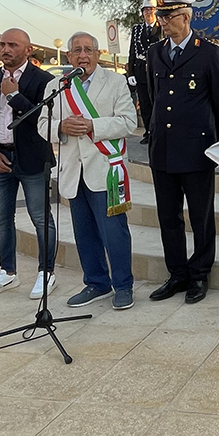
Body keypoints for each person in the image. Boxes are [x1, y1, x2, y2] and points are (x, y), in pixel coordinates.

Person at [145, 0, 219, 304]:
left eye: (168, 16)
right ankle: (177, 273)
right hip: (163, 149)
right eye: (161, 17)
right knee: (168, 216)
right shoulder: (155, 52)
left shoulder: (208, 52)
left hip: (197, 149)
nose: (163, 22)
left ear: (186, 16)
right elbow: (154, 98)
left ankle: (199, 274)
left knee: (200, 216)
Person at [51, 31, 138, 310]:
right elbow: (43, 124)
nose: (82, 55)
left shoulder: (115, 82)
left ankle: (123, 285)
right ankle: (96, 282)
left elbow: (128, 122)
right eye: (76, 50)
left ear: (98, 54)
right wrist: (60, 127)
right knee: (84, 232)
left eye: (88, 50)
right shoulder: (58, 85)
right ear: (68, 56)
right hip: (73, 172)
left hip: (106, 168)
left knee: (114, 232)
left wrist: (93, 126)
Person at [0, 28, 56, 298]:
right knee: (1, 219)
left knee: (41, 218)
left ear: (28, 50)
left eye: (12, 45)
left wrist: (13, 96)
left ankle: (47, 272)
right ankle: (7, 272)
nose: (5, 49)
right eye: (2, 44)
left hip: (32, 158)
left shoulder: (45, 80)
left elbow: (44, 122)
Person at [127, 0, 161, 138]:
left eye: (152, 10)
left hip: (157, 71)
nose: (149, 13)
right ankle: (148, 132)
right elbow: (132, 52)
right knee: (145, 105)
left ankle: (158, 131)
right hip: (141, 72)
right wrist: (130, 73)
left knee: (157, 103)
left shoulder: (162, 28)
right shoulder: (137, 29)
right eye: (146, 10)